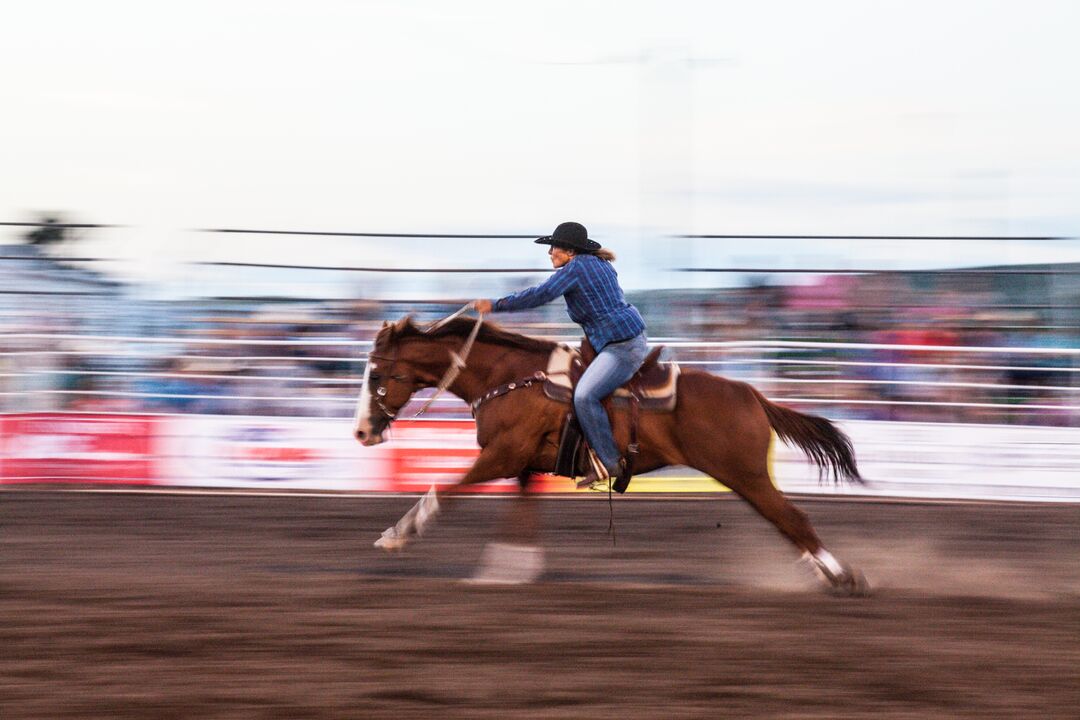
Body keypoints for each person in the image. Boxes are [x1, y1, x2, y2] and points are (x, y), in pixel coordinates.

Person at [473, 221, 647, 485]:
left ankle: (609, 462)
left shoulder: (576, 268)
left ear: (570, 251)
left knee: (585, 395)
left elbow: (541, 294)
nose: (550, 252)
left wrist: (495, 305)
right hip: (618, 340)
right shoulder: (598, 265)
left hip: (621, 347)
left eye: (554, 247)